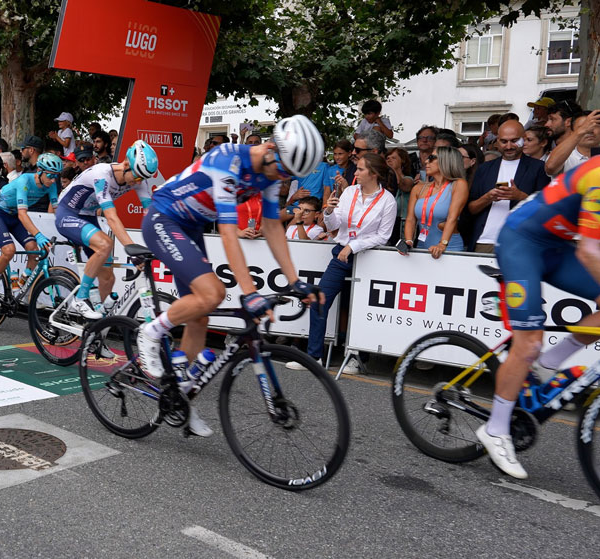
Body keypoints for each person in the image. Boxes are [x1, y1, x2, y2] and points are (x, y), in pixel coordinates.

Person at [135, 116, 325, 437]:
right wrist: (249, 293)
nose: (283, 178)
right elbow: (227, 233)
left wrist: (295, 281)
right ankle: (150, 334)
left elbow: (272, 226)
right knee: (214, 294)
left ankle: (181, 399)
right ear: (269, 150)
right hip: (164, 218)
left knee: (200, 315)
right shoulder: (228, 160)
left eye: (289, 175)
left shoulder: (269, 174)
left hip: (191, 226)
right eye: (282, 170)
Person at [478, 155, 600, 479]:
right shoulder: (598, 174)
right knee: (529, 343)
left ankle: (548, 364)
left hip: (557, 248)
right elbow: (590, 252)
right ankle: (495, 429)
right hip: (521, 243)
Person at [295, 152, 396, 374]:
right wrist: (329, 211)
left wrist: (355, 245)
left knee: (361, 309)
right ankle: (314, 356)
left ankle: (358, 358)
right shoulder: (349, 191)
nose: (356, 173)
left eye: (360, 169)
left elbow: (383, 236)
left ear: (374, 173)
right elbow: (335, 224)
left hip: (370, 258)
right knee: (320, 300)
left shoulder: (387, 200)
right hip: (341, 254)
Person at [54, 140, 158, 318]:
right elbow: (111, 217)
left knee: (108, 278)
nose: (138, 182)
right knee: (105, 244)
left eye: (143, 178)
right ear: (126, 164)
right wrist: (131, 249)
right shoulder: (102, 174)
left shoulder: (138, 180)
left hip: (88, 217)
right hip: (67, 214)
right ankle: (80, 298)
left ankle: (96, 331)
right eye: (137, 176)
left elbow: (150, 215)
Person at [0, 153, 62, 307]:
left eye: (56, 176)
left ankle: (21, 290)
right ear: (39, 171)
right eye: (50, 175)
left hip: (14, 217)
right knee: (9, 250)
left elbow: (58, 211)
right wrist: (38, 234)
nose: (53, 180)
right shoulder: (24, 181)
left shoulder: (51, 185)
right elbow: (22, 214)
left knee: (33, 249)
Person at [468, 120, 551, 252]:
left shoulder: (538, 168)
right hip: (485, 241)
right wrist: (488, 197)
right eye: (504, 141)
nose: (509, 146)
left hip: (521, 243)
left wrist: (521, 196)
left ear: (523, 139)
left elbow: (547, 210)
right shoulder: (485, 169)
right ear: (497, 141)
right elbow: (471, 209)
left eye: (514, 141)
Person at [401, 146, 468, 256]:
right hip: (422, 245)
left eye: (432, 158)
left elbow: (452, 218)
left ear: (445, 160)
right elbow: (410, 219)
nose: (427, 161)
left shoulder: (458, 184)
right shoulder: (419, 188)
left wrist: (442, 244)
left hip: (449, 247)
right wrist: (409, 241)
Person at [546, 110, 599, 176]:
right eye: (582, 127)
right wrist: (582, 130)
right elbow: (550, 167)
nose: (589, 130)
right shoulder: (565, 156)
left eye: (593, 126)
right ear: (572, 132)